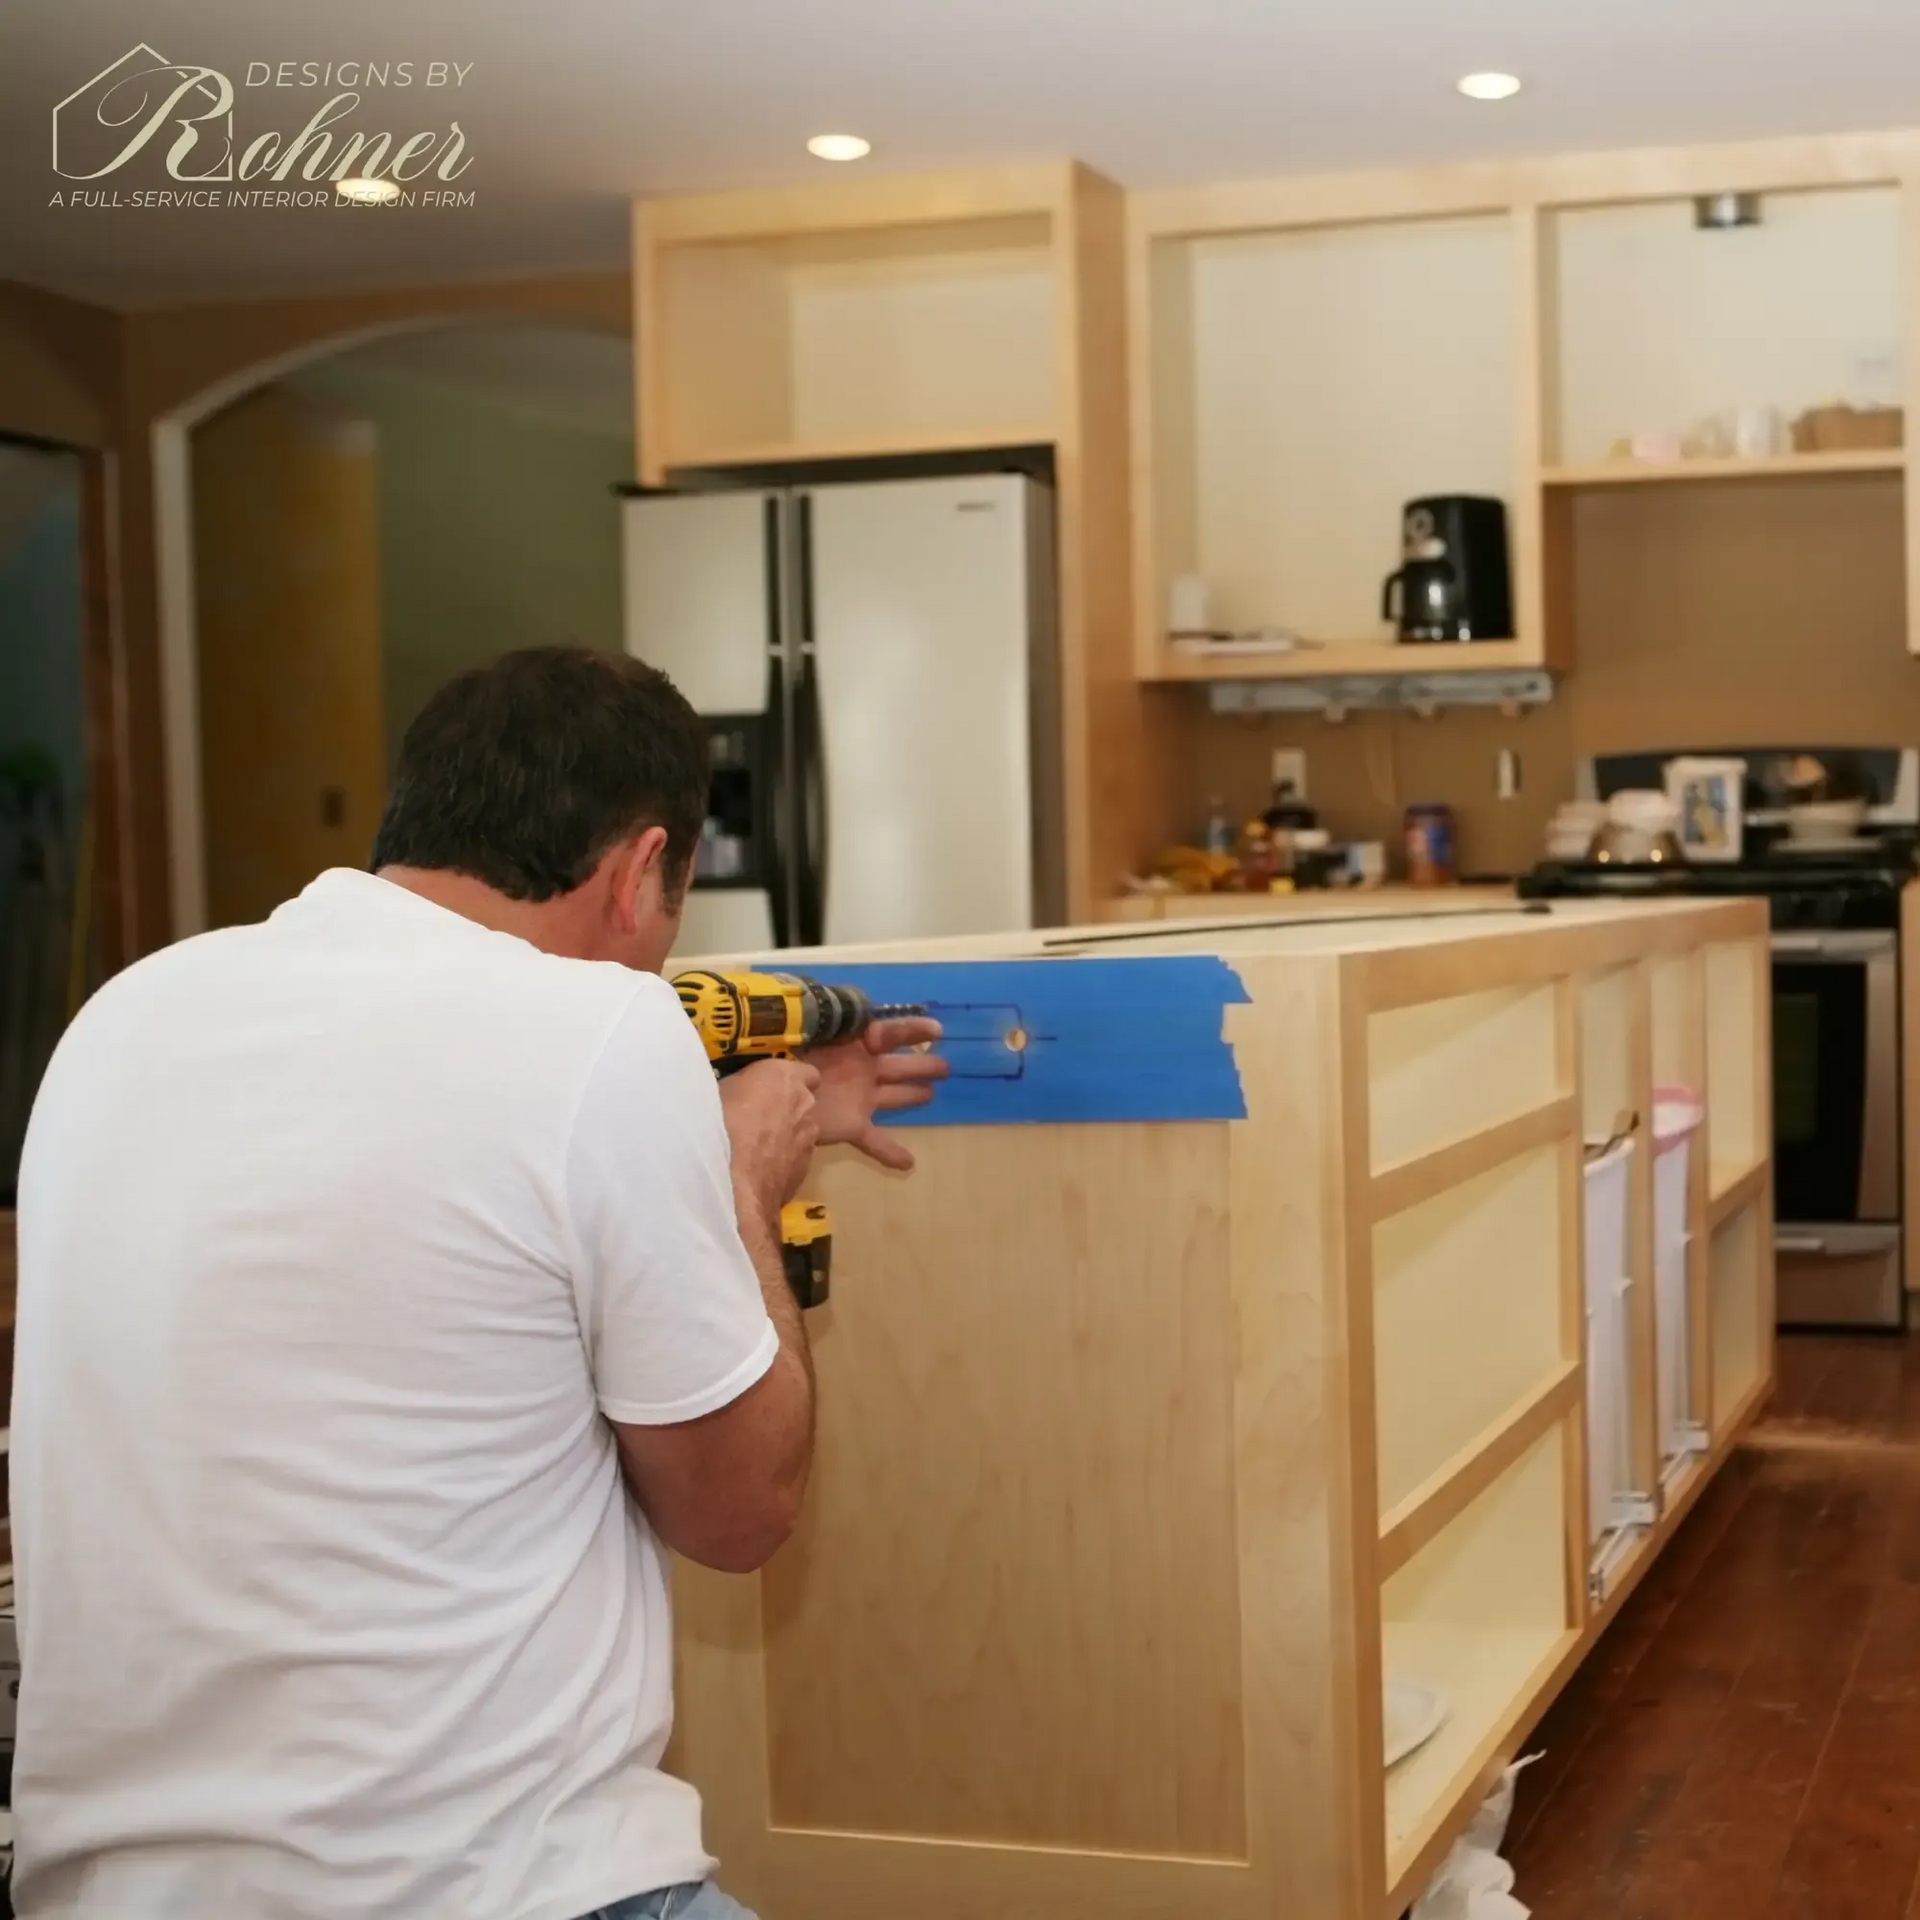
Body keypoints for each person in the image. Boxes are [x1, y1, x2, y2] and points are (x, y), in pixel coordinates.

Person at [8, 646, 945, 1920]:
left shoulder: (126, 1014)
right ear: (637, 874)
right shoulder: (603, 1038)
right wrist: (736, 1187)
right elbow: (742, 1514)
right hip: (482, 1887)